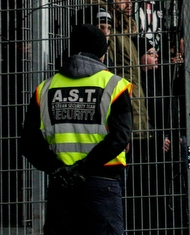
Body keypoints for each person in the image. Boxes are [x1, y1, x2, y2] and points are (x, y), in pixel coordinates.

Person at [20, 24, 133, 235]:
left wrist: (57, 169)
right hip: (102, 181)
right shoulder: (115, 86)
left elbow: (29, 142)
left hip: (61, 183)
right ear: (102, 52)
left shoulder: (45, 88)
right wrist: (83, 168)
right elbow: (120, 137)